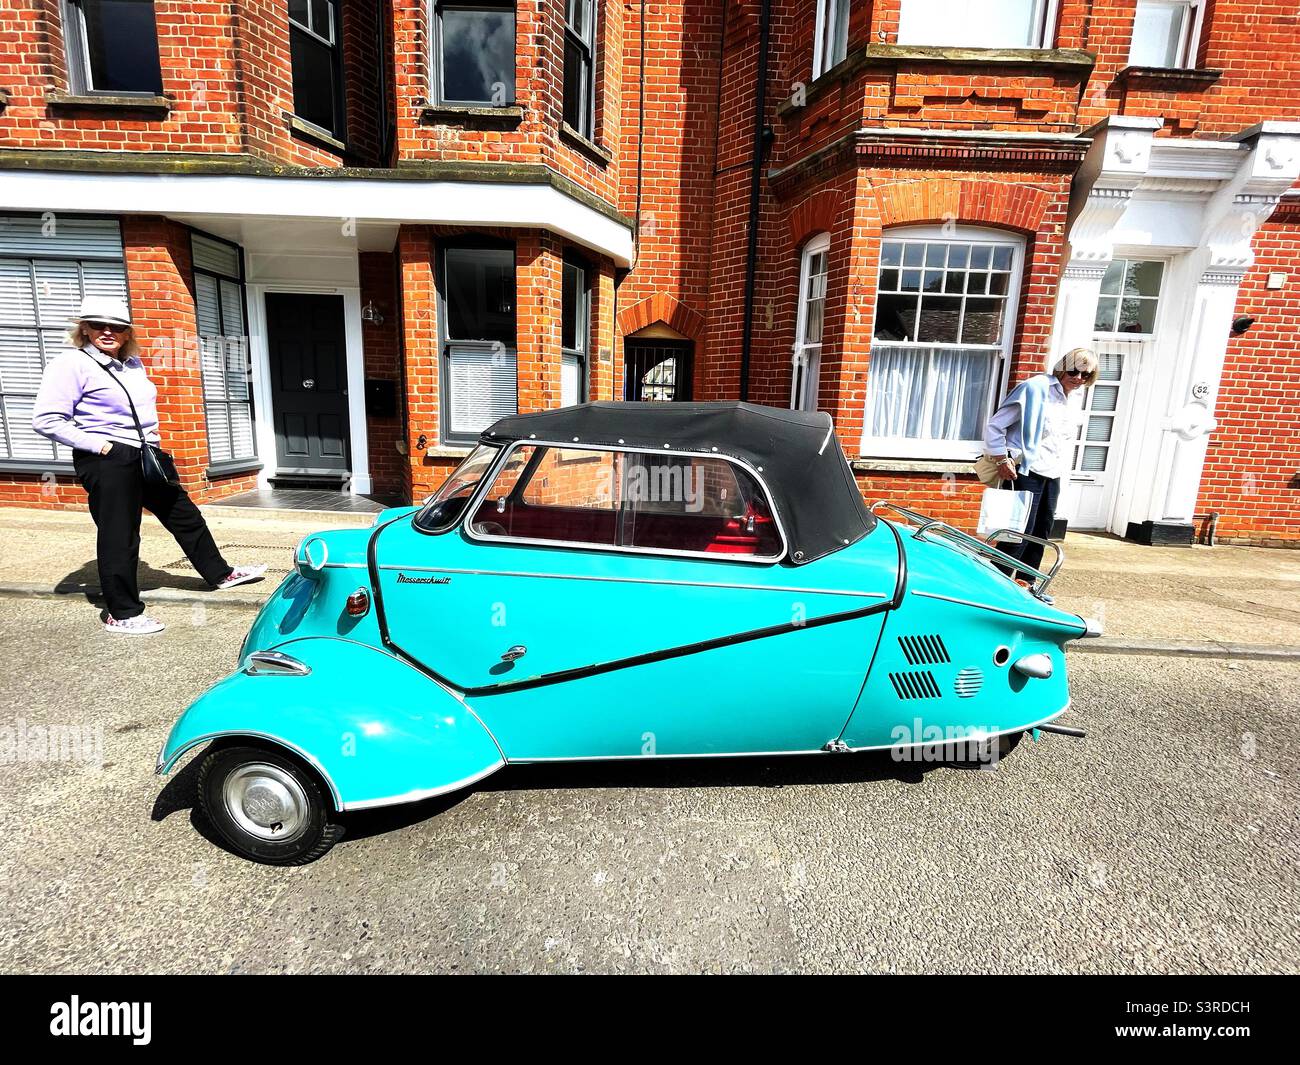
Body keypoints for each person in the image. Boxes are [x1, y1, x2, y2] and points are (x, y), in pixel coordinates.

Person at [32, 297, 266, 635]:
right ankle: (122, 613)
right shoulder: (71, 364)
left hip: (146, 454)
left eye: (117, 326)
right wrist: (102, 445)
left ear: (128, 333)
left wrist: (150, 445)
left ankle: (220, 574)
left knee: (184, 515)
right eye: (98, 324)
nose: (107, 331)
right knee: (120, 535)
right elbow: (47, 419)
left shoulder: (132, 364)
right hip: (108, 459)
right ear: (84, 328)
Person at [981, 347, 1098, 600]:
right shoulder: (1034, 388)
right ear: (1062, 367)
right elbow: (995, 425)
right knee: (1018, 532)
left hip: (1052, 471)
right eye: (1074, 371)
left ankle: (1027, 584)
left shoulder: (1073, 399)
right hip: (1024, 470)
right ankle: (996, 586)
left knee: (1042, 531)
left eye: (1085, 375)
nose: (1078, 378)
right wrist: (1002, 458)